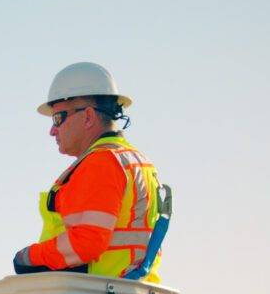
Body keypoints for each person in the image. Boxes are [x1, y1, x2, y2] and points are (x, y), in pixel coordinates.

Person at [12, 62, 168, 282]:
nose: (52, 130)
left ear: (88, 117)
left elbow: (86, 243)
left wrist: (27, 257)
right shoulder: (135, 161)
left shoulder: (102, 162)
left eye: (58, 118)